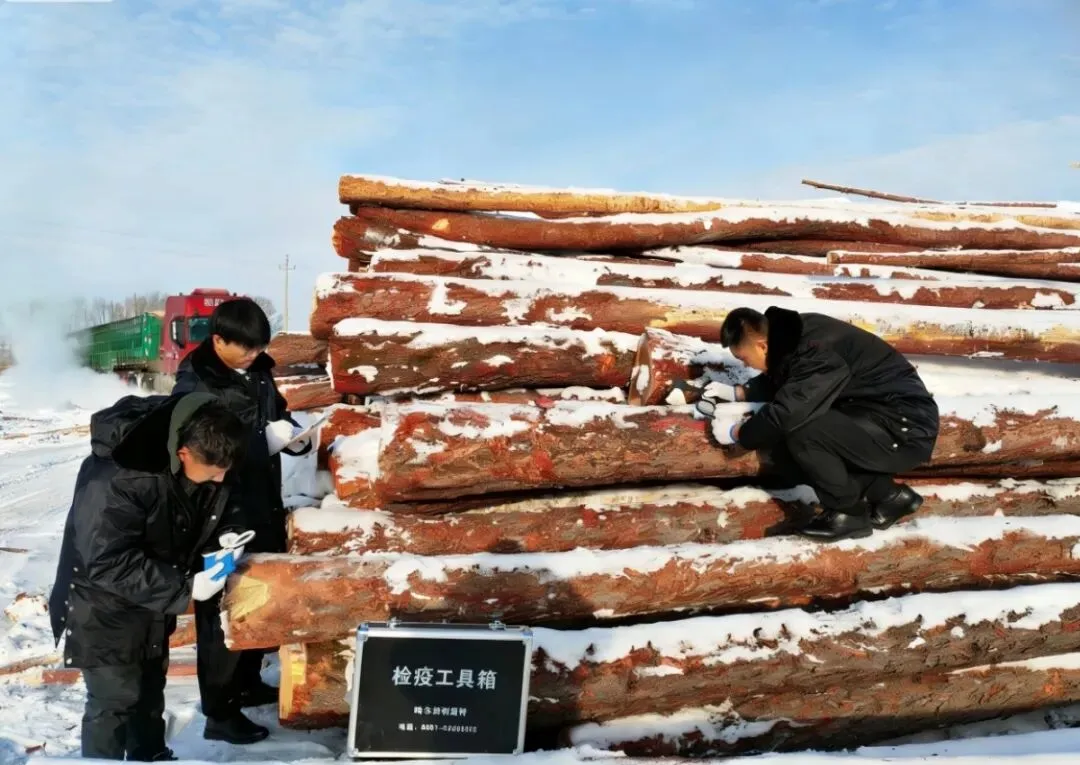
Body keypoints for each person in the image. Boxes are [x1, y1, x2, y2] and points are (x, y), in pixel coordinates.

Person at [49, 393, 249, 761]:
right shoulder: (118, 477)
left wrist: (226, 535)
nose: (220, 479)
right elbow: (106, 561)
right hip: (101, 605)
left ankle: (151, 755)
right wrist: (185, 587)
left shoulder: (203, 448)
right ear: (184, 453)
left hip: (151, 601)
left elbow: (217, 506)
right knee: (114, 701)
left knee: (149, 692)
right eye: (213, 472)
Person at [172, 297, 311, 744]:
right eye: (246, 348)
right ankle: (220, 711)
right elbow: (200, 449)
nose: (254, 355)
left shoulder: (258, 371)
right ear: (218, 340)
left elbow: (278, 412)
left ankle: (247, 682)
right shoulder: (197, 382)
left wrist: (294, 437)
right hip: (221, 509)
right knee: (222, 612)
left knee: (256, 596)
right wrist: (258, 444)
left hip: (261, 500)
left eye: (259, 347)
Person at [697, 306, 939, 542]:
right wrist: (741, 392)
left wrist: (740, 433)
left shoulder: (818, 350)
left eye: (744, 359)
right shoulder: (794, 336)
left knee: (804, 431)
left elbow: (790, 410)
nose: (746, 366)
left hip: (904, 426)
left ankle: (848, 514)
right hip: (879, 416)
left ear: (762, 346)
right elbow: (790, 376)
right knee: (794, 443)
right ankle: (889, 497)